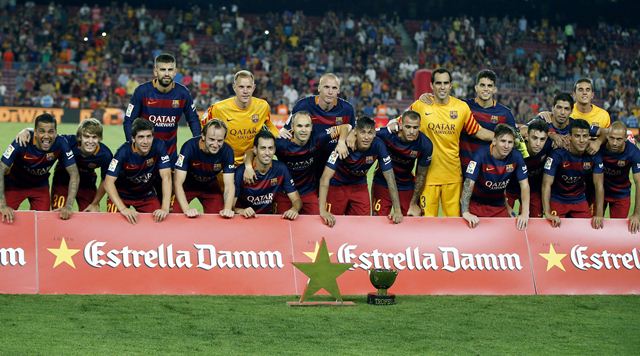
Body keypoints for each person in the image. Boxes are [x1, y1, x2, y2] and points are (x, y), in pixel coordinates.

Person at [408, 68, 494, 217]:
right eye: (438, 83)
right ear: (431, 85)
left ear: (451, 85)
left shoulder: (461, 108)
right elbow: (401, 123)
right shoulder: (420, 105)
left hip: (453, 177)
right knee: (427, 224)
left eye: (445, 83)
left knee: (454, 224)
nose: (442, 87)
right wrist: (386, 128)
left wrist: (499, 138)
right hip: (427, 178)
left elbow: (478, 131)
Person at [244, 111, 351, 214]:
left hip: (308, 192)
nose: (303, 130)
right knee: (282, 225)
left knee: (316, 223)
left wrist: (341, 142)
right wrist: (248, 167)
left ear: (312, 127)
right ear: (292, 127)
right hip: (284, 193)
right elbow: (252, 151)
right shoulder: (281, 144)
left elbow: (345, 127)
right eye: (299, 126)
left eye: (307, 126)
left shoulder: (318, 137)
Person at [319, 116, 403, 227]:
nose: (366, 137)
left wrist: (397, 210)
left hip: (359, 185)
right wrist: (322, 211)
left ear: (374, 134)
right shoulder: (342, 146)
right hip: (338, 185)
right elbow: (325, 177)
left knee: (363, 224)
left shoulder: (378, 145)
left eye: (370, 133)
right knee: (331, 223)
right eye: (363, 133)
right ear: (355, 133)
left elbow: (390, 177)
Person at [15, 118, 113, 212]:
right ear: (79, 137)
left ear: (100, 138)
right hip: (63, 182)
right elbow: (49, 135)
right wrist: (27, 130)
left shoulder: (105, 155)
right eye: (86, 136)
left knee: (91, 216)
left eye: (94, 137)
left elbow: (105, 180)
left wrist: (95, 203)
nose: (90, 141)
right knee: (59, 214)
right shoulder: (68, 141)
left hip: (87, 185)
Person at [0, 113, 79, 223]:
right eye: (42, 131)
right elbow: (1, 169)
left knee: (42, 223)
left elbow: (74, 173)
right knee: (3, 218)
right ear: (35, 132)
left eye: (51, 132)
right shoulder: (21, 142)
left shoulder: (61, 143)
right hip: (15, 185)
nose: (46, 136)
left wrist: (69, 205)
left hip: (40, 187)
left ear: (55, 132)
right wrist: (2, 205)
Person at [123, 53, 201, 163]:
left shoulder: (183, 93)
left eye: (170, 70)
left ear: (175, 72)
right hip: (144, 156)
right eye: (163, 69)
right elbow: (128, 120)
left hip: (170, 155)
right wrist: (132, 144)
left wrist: (198, 142)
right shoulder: (142, 91)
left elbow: (193, 119)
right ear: (155, 71)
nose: (167, 73)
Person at [282, 73, 353, 178]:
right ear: (319, 88)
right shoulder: (303, 105)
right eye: (326, 87)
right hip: (309, 162)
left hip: (333, 162)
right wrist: (282, 131)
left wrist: (347, 138)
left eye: (334, 88)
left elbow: (352, 131)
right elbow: (286, 130)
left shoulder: (347, 109)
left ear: (338, 90)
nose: (330, 92)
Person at [201, 70, 279, 165]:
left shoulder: (263, 106)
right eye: (241, 87)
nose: (245, 91)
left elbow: (268, 123)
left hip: (251, 160)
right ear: (234, 87)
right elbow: (202, 127)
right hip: (225, 161)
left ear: (253, 88)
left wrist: (279, 135)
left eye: (248, 87)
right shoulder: (219, 108)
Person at [461, 124, 530, 230]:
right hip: (476, 206)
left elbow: (524, 185)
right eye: (503, 141)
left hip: (499, 206)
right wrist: (465, 212)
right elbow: (468, 183)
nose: (506, 146)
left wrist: (525, 213)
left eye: (510, 142)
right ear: (494, 141)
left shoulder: (516, 156)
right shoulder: (480, 155)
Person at [105, 118, 172, 224]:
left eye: (149, 137)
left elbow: (166, 177)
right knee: (114, 224)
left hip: (145, 195)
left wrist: (164, 208)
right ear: (133, 138)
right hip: (122, 195)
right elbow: (108, 182)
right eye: (141, 137)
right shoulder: (123, 152)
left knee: (159, 222)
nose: (145, 141)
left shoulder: (159, 146)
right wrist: (123, 209)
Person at [542, 119, 604, 229]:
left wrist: (599, 214)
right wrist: (547, 212)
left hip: (579, 199)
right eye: (577, 136)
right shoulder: (557, 154)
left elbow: (599, 185)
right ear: (569, 137)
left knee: (587, 231)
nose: (581, 140)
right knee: (554, 232)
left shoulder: (594, 155)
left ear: (589, 137)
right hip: (558, 199)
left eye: (585, 136)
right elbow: (546, 184)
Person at [372, 110, 432, 217]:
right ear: (400, 125)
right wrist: (352, 135)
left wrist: (414, 203)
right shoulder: (388, 135)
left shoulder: (425, 144)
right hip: (382, 182)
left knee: (411, 220)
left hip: (405, 184)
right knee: (378, 220)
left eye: (415, 128)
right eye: (407, 127)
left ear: (420, 127)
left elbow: (421, 175)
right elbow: (366, 133)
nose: (412, 131)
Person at [173, 119, 235, 218]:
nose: (215, 145)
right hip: (188, 186)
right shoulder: (189, 147)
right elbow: (177, 182)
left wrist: (227, 208)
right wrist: (187, 209)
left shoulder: (228, 151)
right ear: (203, 136)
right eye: (211, 139)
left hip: (210, 187)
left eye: (220, 141)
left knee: (220, 218)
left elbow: (229, 185)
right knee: (175, 216)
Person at [233, 131, 301, 220]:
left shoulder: (281, 169)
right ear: (255, 150)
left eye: (270, 148)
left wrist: (294, 209)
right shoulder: (241, 172)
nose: (267, 153)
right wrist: (241, 211)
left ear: (274, 150)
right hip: (245, 220)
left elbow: (297, 200)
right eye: (263, 148)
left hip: (269, 219)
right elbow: (230, 207)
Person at [506, 119, 552, 218]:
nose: (538, 143)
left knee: (535, 221)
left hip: (533, 190)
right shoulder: (514, 149)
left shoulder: (549, 146)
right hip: (510, 189)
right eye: (534, 138)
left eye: (542, 139)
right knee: (505, 218)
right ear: (526, 136)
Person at [599, 121, 640, 233]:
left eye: (619, 139)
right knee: (593, 225)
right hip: (599, 192)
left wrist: (636, 214)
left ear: (626, 138)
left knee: (617, 231)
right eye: (612, 138)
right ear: (607, 135)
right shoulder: (599, 146)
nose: (614, 143)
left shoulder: (633, 152)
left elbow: (639, 183)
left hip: (621, 194)